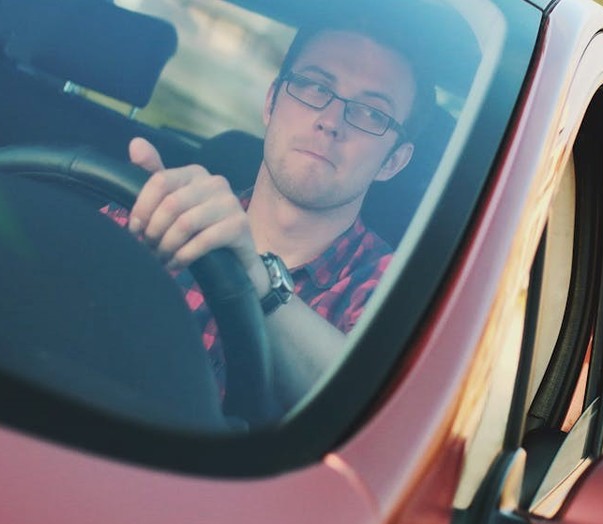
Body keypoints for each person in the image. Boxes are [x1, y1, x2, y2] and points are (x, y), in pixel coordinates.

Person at [102, 14, 430, 411]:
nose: (331, 121)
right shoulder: (161, 210)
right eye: (315, 86)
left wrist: (259, 281)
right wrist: (120, 259)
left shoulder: (399, 296)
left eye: (372, 113)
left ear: (393, 161)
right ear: (271, 102)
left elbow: (374, 410)